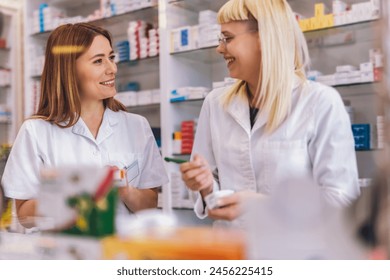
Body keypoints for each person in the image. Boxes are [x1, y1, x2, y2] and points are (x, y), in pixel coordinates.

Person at [180, 0, 360, 229]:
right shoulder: (215, 104)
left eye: (228, 38)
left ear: (265, 38)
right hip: (232, 253)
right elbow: (211, 194)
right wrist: (205, 186)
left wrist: (264, 205)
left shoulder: (320, 103)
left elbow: (341, 201)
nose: (219, 48)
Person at [1, 23, 168, 228]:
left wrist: (125, 190)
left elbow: (150, 205)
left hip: (122, 252)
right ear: (69, 69)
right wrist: (70, 197)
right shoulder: (36, 131)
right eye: (98, 61)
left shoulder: (136, 126)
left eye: (111, 57)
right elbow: (24, 215)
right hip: (64, 254)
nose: (112, 68)